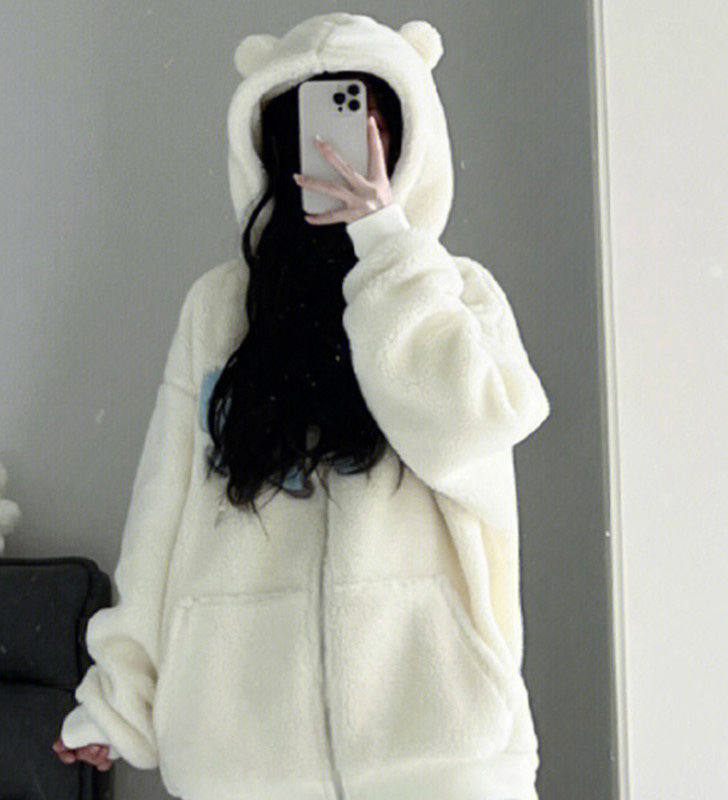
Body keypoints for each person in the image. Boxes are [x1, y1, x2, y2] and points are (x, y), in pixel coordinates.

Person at [53, 12, 551, 800]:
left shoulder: (456, 297)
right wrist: (120, 702)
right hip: (243, 759)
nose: (339, 148)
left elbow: (467, 433)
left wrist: (387, 248)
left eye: (363, 122)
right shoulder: (221, 312)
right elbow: (161, 515)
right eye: (310, 128)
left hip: (438, 752)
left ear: (407, 138)